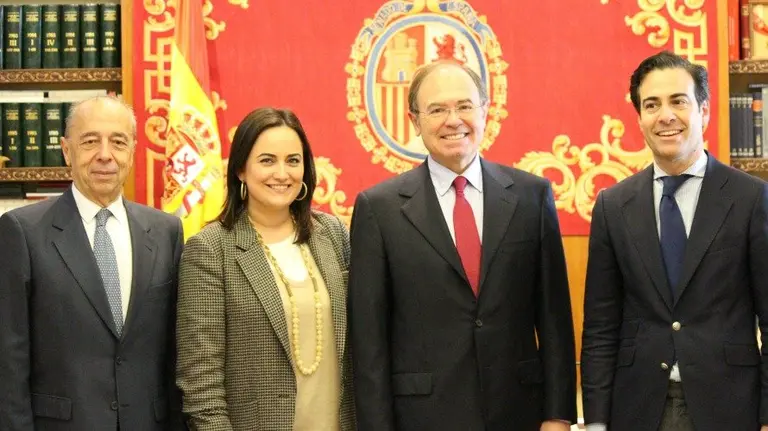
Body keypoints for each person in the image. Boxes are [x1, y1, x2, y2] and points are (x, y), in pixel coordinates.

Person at [348, 60, 577, 431]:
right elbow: (369, 342)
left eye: (464, 106)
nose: (453, 120)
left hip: (519, 412)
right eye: (437, 109)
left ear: (485, 110)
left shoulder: (531, 197)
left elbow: (554, 319)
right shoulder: (380, 209)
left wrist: (558, 414)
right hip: (423, 417)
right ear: (414, 120)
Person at [581, 50, 768, 431]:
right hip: (637, 407)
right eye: (652, 105)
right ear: (640, 120)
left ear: (704, 111)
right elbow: (600, 326)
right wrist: (596, 420)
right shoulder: (613, 205)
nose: (665, 115)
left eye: (678, 101)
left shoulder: (751, 198)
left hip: (732, 406)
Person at [0, 96, 185, 430]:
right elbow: (9, 360)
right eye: (90, 141)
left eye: (118, 142)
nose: (105, 154)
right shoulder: (22, 232)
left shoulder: (165, 231)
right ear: (67, 151)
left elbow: (174, 351)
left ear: (132, 151)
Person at [175, 107, 355, 430]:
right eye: (267, 160)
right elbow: (201, 384)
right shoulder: (211, 250)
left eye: (293, 161)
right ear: (241, 169)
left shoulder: (333, 234)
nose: (282, 174)